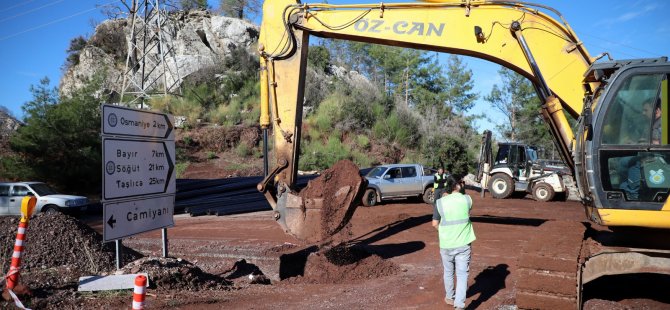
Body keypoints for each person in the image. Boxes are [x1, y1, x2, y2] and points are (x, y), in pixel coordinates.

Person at [433, 176, 476, 309]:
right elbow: (465, 212)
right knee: (462, 274)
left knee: (448, 272)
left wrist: (444, 232)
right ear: (458, 185)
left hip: (446, 243)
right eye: (462, 183)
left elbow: (434, 223)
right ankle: (459, 305)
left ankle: (449, 297)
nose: (463, 185)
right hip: (463, 243)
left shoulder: (440, 202)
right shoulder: (467, 199)